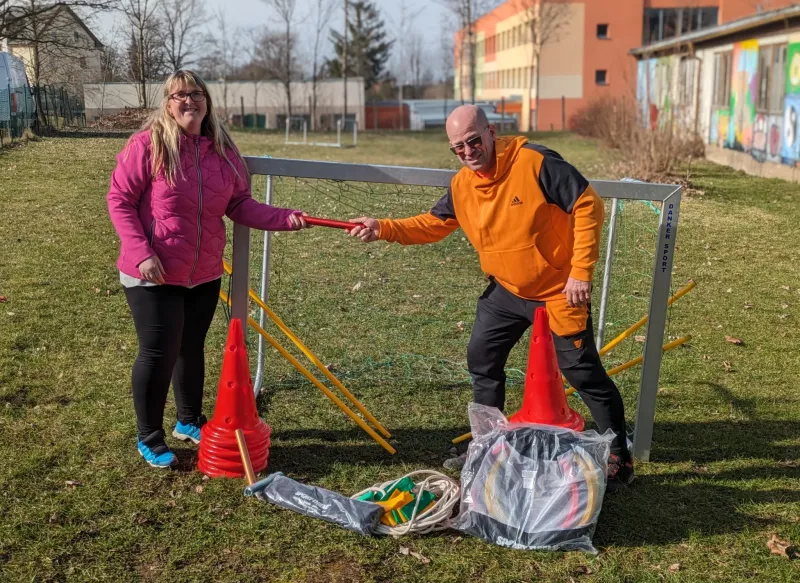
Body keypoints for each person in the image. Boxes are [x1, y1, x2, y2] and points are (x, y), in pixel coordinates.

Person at [347, 105, 634, 488]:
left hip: (558, 291)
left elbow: (587, 205)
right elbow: (432, 224)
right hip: (507, 291)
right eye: (458, 147)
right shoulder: (462, 185)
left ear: (491, 132)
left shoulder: (536, 162)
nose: (468, 151)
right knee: (482, 357)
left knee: (583, 374)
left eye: (472, 140)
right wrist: (382, 227)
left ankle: (620, 455)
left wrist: (580, 272)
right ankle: (487, 444)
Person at [108, 70, 310, 469]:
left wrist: (284, 218)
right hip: (153, 270)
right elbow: (119, 200)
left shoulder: (221, 149)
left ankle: (188, 420)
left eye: (196, 94)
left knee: (190, 346)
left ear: (207, 101)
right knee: (158, 351)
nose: (190, 101)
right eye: (179, 95)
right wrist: (142, 252)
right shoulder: (147, 145)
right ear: (167, 103)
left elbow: (239, 205)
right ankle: (149, 436)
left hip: (202, 270)